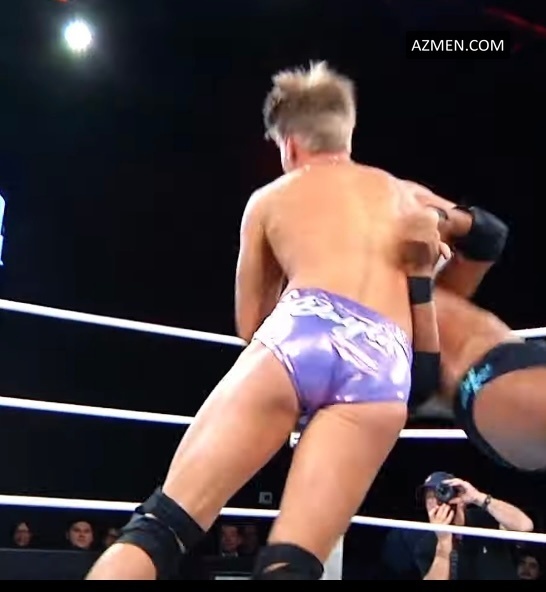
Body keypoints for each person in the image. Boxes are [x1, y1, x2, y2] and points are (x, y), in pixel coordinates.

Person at [86, 61, 447, 580]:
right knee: (291, 564)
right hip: (385, 361)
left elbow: (250, 323)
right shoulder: (402, 195)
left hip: (302, 328)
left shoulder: (271, 198)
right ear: (346, 132)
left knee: (162, 527)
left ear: (290, 145)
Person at [405, 182, 546, 472]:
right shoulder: (356, 310)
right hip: (482, 386)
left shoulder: (435, 282)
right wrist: (419, 277)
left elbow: (488, 236)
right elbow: (419, 384)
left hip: (516, 357)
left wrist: (442, 218)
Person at [381, 471, 532, 580]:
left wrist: (478, 498)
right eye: (429, 498)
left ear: (458, 496)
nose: (434, 503)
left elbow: (525, 526)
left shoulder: (485, 519)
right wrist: (444, 544)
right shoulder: (427, 545)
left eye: (440, 494)